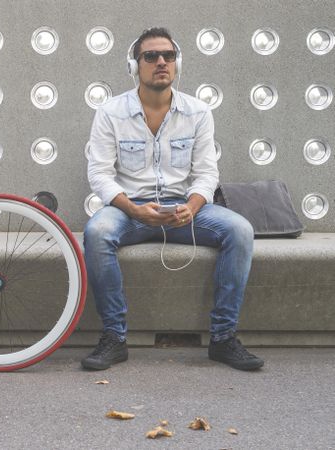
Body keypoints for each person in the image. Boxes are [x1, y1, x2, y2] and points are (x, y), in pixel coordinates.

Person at [82, 27, 264, 371]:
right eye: (150, 56)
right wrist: (135, 209)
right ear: (135, 66)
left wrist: (192, 207)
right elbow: (100, 175)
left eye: (168, 55)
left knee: (239, 230)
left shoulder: (197, 111)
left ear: (177, 63)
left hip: (184, 206)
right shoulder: (110, 112)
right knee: (97, 233)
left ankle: (224, 339)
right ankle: (114, 338)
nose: (161, 62)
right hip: (129, 209)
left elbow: (207, 173)